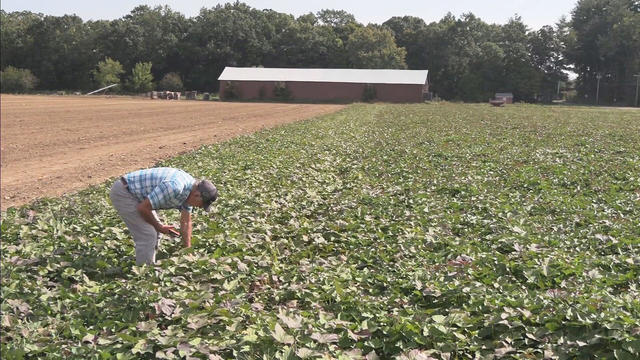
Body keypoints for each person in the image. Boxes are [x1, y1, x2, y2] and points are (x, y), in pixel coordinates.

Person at [109, 167, 218, 265]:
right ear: (197, 195)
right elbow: (143, 208)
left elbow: (186, 222)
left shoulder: (191, 191)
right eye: (202, 204)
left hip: (139, 196)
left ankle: (150, 261)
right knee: (148, 234)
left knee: (156, 232)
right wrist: (159, 226)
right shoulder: (174, 187)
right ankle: (144, 274)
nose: (200, 207)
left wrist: (187, 250)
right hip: (125, 192)